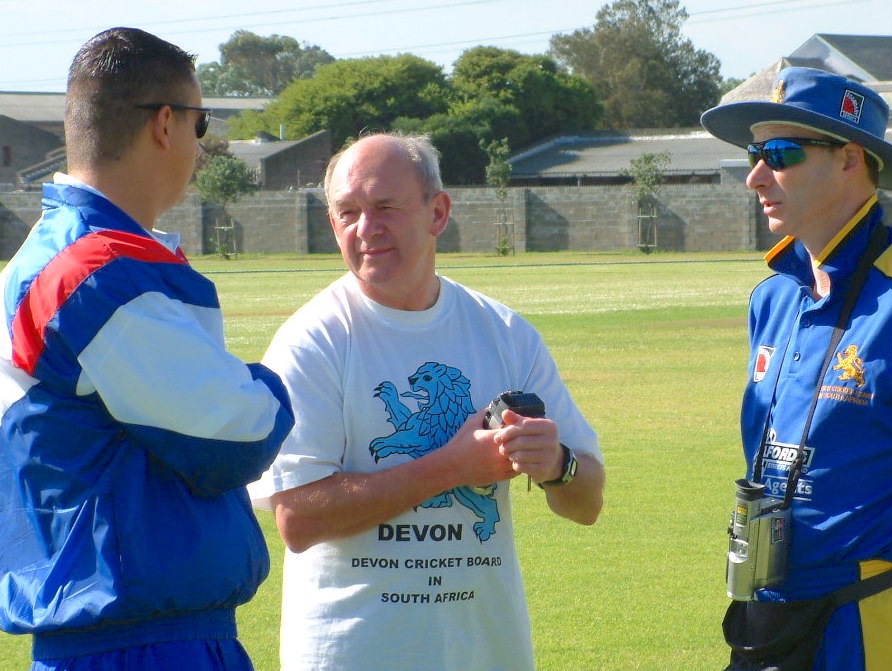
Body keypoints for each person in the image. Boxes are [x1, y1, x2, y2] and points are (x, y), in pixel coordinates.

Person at [248, 132, 606, 671]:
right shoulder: (312, 341)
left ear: (438, 212)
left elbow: (587, 502)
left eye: (385, 207)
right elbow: (297, 517)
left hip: (486, 652)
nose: (366, 229)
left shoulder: (505, 333)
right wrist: (452, 467)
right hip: (353, 654)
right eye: (348, 213)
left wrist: (555, 465)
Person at [0, 27, 294, 671]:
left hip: (111, 631)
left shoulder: (46, 259)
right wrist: (270, 385)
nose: (200, 143)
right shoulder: (98, 271)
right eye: (201, 121)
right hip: (143, 641)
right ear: (166, 123)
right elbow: (238, 433)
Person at [701, 67, 892, 670]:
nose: (755, 176)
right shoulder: (772, 298)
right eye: (754, 153)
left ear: (850, 159)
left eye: (781, 154)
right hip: (767, 615)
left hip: (880, 621)